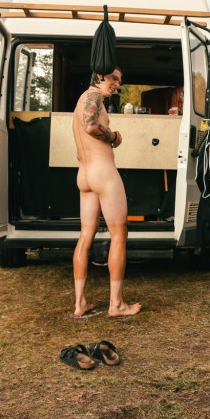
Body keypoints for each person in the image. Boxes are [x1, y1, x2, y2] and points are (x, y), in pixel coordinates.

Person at [71, 67, 141, 318]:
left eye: (119, 80)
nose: (117, 84)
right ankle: (117, 304)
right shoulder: (94, 96)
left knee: (85, 236)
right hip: (103, 175)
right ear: (99, 76)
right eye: (114, 78)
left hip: (84, 175)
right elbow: (91, 126)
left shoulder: (80, 100)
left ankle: (80, 304)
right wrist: (113, 137)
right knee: (119, 234)